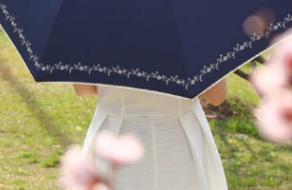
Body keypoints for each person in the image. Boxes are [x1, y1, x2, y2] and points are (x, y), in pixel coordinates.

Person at [73, 79, 229, 190]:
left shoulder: (95, 31)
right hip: (179, 139)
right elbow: (217, 95)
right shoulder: (195, 31)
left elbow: (82, 89)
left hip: (116, 132)